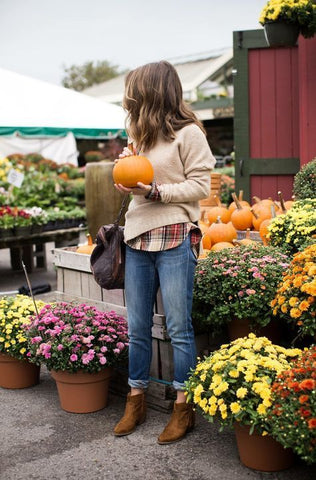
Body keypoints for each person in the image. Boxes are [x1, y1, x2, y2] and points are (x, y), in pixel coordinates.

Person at [113, 61, 216, 444]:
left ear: (152, 92)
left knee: (178, 328)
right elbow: (134, 176)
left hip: (175, 235)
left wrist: (157, 192)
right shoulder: (137, 131)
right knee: (137, 326)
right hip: (138, 236)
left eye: (135, 92)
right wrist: (125, 175)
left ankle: (182, 408)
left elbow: (201, 187)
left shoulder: (189, 134)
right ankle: (136, 399)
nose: (129, 100)